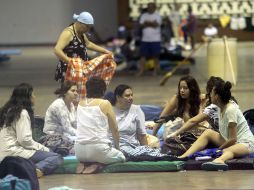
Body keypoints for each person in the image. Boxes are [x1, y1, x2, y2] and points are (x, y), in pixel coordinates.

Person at [178, 80, 254, 171]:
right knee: (208, 132)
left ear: (217, 97)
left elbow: (233, 139)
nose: (210, 95)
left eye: (212, 93)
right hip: (230, 139)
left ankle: (220, 160)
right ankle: (184, 156)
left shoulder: (230, 110)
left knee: (228, 150)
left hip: (246, 143)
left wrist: (219, 149)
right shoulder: (219, 107)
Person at [0, 83, 63, 177]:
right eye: (33, 94)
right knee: (56, 157)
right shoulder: (22, 113)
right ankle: (34, 170)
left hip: (3, 153)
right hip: (14, 152)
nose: (35, 97)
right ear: (27, 97)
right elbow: (24, 140)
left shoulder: (7, 110)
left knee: (46, 151)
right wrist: (44, 148)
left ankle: (20, 169)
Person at [110, 84, 177, 161]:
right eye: (127, 96)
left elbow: (141, 135)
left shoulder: (136, 110)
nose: (131, 98)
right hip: (112, 146)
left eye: (132, 95)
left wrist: (146, 149)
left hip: (130, 146)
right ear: (118, 97)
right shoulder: (110, 110)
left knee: (146, 152)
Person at [74, 77, 125, 174]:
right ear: (103, 90)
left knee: (94, 153)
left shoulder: (80, 103)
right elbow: (115, 129)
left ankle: (84, 163)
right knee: (121, 157)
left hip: (79, 151)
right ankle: (98, 164)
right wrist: (118, 148)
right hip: (98, 149)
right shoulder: (105, 103)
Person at [168, 76, 237, 138]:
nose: (182, 90)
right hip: (224, 136)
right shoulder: (230, 104)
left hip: (227, 138)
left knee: (206, 133)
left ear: (216, 95)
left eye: (210, 93)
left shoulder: (213, 107)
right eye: (180, 88)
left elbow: (232, 139)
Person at [54, 11, 111, 82]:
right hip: (69, 69)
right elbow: (57, 50)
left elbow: (88, 44)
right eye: (87, 27)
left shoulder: (81, 33)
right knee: (69, 92)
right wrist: (70, 62)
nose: (88, 29)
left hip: (78, 69)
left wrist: (105, 51)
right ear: (80, 23)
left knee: (80, 91)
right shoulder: (68, 33)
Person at [137, 2, 162, 76]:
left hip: (155, 39)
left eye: (151, 7)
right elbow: (141, 25)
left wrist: (146, 23)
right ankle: (141, 70)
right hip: (145, 39)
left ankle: (155, 71)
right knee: (142, 56)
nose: (149, 8)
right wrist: (151, 23)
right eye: (148, 7)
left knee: (155, 56)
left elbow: (156, 25)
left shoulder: (158, 16)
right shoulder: (144, 15)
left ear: (154, 8)